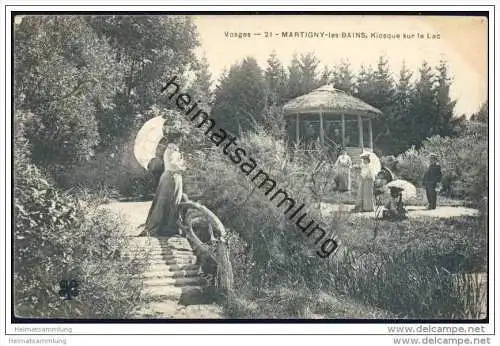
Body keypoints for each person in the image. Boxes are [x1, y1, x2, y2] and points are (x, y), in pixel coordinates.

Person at [139, 134, 187, 237]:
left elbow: (176, 163)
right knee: (163, 202)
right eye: (180, 138)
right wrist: (182, 167)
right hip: (170, 177)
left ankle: (170, 228)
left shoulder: (176, 151)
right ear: (176, 139)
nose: (182, 140)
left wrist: (182, 163)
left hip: (176, 177)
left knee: (174, 202)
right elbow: (171, 165)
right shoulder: (170, 150)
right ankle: (156, 228)